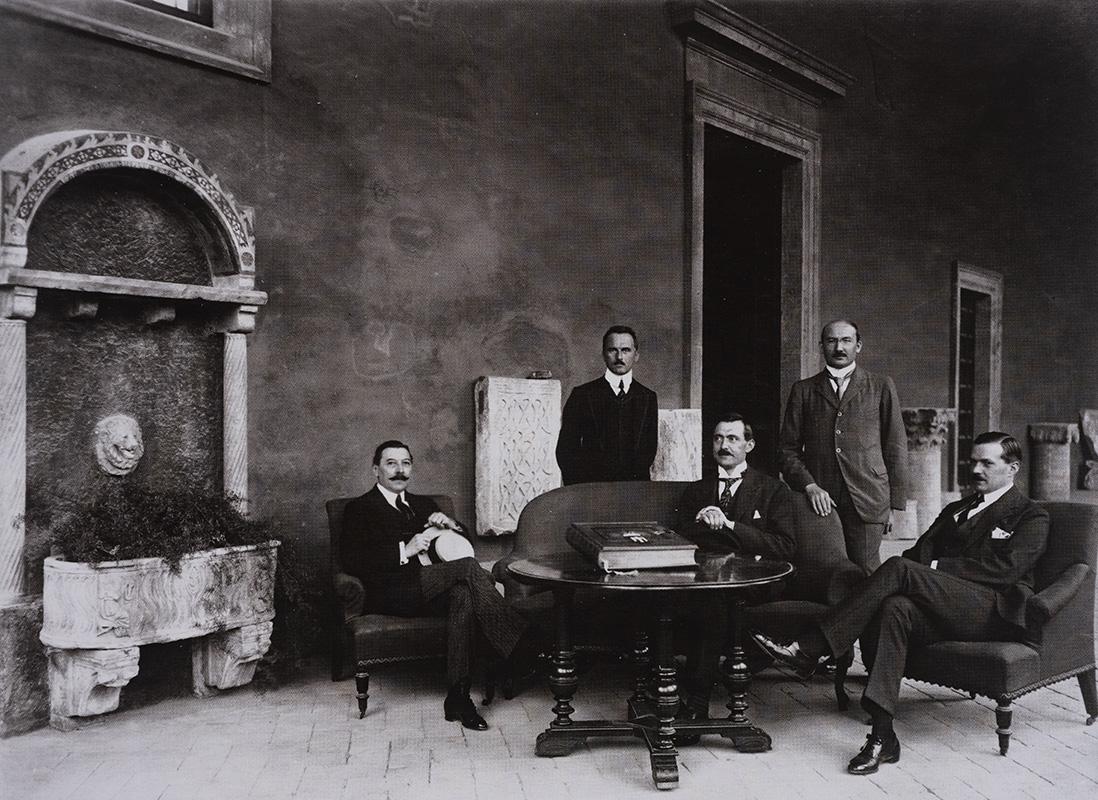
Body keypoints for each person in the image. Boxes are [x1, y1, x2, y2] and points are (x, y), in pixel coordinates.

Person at [753, 432, 1048, 775]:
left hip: (991, 613)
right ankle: (882, 736)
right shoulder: (957, 509)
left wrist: (935, 569)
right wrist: (920, 572)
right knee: (895, 607)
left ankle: (812, 647)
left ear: (1012, 469)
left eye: (987, 463)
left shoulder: (1030, 515)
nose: (976, 469)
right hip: (944, 608)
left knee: (897, 569)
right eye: (973, 461)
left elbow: (1005, 571)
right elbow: (915, 554)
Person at [340, 440, 531, 731]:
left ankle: (458, 697)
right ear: (375, 469)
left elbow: (463, 545)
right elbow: (352, 561)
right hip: (391, 593)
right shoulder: (359, 509)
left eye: (405, 463)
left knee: (464, 594)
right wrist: (406, 549)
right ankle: (522, 647)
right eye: (391, 463)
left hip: (432, 586)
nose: (399, 470)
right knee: (470, 572)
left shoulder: (423, 504)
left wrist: (451, 524)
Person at [674, 412, 797, 720]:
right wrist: (700, 518)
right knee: (706, 598)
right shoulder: (697, 491)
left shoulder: (773, 490)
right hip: (704, 581)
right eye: (718, 438)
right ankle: (680, 695)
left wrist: (728, 524)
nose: (723, 446)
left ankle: (697, 698)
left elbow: (783, 546)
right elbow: (677, 538)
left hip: (755, 582)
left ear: (749, 445)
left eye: (732, 438)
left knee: (713, 601)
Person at [778, 319, 908, 571]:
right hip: (821, 501)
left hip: (869, 497)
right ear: (822, 347)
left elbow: (896, 447)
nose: (839, 347)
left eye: (846, 340)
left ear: (858, 346)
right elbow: (787, 450)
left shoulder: (880, 386)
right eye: (832, 341)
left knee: (865, 571)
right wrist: (810, 486)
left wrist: (893, 505)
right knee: (828, 572)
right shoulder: (803, 390)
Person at [555, 325, 658, 485]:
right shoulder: (582, 395)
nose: (619, 357)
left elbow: (649, 450)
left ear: (636, 355)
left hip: (635, 493)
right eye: (612, 350)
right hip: (592, 494)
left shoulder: (648, 397)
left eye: (626, 350)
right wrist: (580, 489)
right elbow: (565, 450)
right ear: (603, 354)